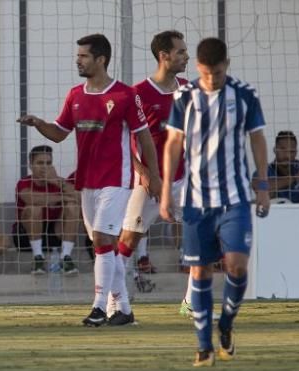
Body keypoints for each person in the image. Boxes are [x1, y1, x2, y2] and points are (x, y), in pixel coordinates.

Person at [18, 33, 161, 327]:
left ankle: (98, 307)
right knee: (102, 246)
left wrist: (153, 174)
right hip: (87, 182)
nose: (77, 60)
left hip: (117, 179)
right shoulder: (75, 95)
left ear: (101, 59)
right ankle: (123, 309)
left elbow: (144, 138)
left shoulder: (124, 95)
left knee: (102, 239)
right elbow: (59, 132)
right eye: (78, 55)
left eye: (83, 56)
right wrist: (39, 123)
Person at [160, 37, 270, 367]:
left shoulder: (245, 94)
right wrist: (166, 190)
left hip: (235, 198)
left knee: (236, 265)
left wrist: (262, 184)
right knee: (200, 271)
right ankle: (203, 345)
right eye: (206, 73)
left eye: (218, 73)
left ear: (227, 66)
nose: (212, 80)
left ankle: (226, 324)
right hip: (196, 201)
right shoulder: (184, 97)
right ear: (198, 68)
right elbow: (172, 145)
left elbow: (258, 138)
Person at [112, 30, 190, 319]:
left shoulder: (187, 89)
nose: (186, 56)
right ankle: (117, 303)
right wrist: (144, 173)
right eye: (181, 51)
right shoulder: (137, 95)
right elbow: (123, 142)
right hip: (146, 184)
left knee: (204, 236)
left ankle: (192, 304)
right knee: (127, 242)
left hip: (182, 179)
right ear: (164, 56)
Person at [13, 145, 80, 275]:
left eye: (48, 163)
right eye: (40, 163)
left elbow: (80, 198)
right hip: (26, 236)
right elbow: (32, 199)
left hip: (55, 233)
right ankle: (38, 257)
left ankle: (65, 257)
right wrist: (62, 197)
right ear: (31, 166)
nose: (44, 167)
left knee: (73, 206)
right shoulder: (24, 182)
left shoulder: (59, 182)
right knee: (34, 209)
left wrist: (56, 182)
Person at [267, 130, 299, 203]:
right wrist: (296, 178)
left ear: (296, 152)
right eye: (283, 150)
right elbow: (258, 186)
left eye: (292, 151)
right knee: (266, 192)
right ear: (275, 150)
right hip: (276, 212)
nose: (287, 155)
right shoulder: (265, 170)